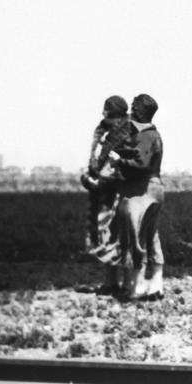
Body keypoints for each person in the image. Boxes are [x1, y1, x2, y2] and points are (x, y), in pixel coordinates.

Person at [79, 95, 136, 291]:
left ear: (119, 116)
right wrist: (91, 178)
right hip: (102, 194)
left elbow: (128, 165)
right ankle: (110, 282)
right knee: (106, 237)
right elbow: (96, 159)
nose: (105, 117)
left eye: (109, 114)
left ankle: (128, 283)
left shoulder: (129, 133)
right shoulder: (103, 131)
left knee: (125, 238)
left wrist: (104, 180)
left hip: (121, 193)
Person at [112, 94, 165, 301]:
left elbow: (140, 163)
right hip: (156, 187)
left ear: (140, 112)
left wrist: (119, 160)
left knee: (135, 239)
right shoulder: (155, 135)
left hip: (140, 191)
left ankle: (137, 285)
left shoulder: (144, 136)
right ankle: (156, 285)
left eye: (134, 108)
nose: (130, 111)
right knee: (152, 236)